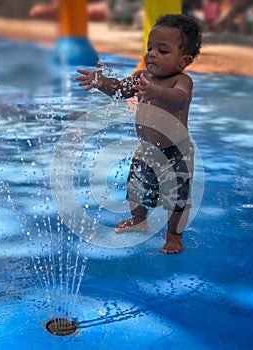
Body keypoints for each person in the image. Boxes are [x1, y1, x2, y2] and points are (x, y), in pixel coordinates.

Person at [76, 14, 202, 254]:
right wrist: (102, 83)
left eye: (162, 51)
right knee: (137, 188)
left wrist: (154, 91)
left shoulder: (181, 81)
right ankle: (139, 220)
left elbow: (180, 100)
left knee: (178, 199)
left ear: (183, 60)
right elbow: (120, 89)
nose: (152, 54)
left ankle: (174, 235)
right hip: (146, 149)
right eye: (150, 48)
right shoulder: (142, 77)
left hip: (176, 153)